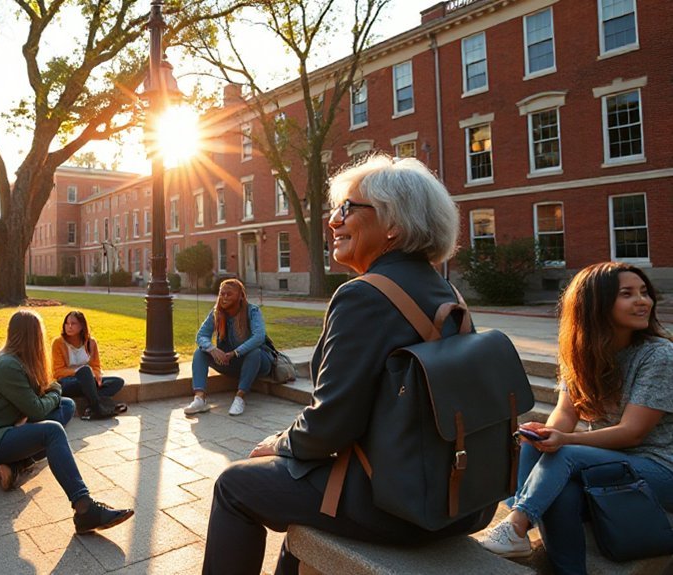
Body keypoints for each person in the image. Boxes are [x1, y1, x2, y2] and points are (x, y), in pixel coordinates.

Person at [201, 154, 496, 573]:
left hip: (397, 503)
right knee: (299, 519)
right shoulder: (445, 291)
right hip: (460, 497)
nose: (333, 221)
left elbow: (330, 426)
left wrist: (281, 443)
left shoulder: (364, 295)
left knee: (234, 484)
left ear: (392, 224)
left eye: (347, 208)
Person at [479, 262, 673, 574]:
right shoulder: (581, 354)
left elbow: (633, 433)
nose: (643, 301)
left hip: (661, 468)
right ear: (595, 303)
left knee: (564, 454)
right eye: (628, 294)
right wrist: (545, 434)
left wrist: (565, 441)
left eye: (644, 292)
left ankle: (517, 522)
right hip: (609, 463)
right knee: (545, 463)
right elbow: (566, 413)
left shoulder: (659, 355)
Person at [0, 309, 135, 533]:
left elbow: (40, 397)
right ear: (33, 336)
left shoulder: (18, 360)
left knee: (67, 405)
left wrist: (52, 392)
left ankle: (16, 465)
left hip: (4, 433)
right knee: (52, 431)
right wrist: (55, 390)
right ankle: (84, 509)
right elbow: (36, 407)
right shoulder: (8, 365)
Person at [184, 278, 270, 417]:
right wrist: (212, 349)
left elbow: (259, 337)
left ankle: (240, 398)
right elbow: (201, 336)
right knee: (200, 352)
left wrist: (236, 352)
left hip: (257, 363)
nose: (224, 298)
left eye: (229, 294)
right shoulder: (216, 313)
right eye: (221, 294)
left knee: (254, 352)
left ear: (241, 296)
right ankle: (199, 399)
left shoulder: (252, 311)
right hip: (229, 362)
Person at [51, 310, 126, 420]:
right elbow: (57, 371)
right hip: (67, 382)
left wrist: (96, 376)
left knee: (117, 382)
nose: (69, 326)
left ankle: (91, 408)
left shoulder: (91, 343)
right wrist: (79, 371)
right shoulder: (58, 343)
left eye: (73, 323)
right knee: (85, 371)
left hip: (88, 381)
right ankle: (98, 408)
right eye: (67, 323)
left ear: (82, 326)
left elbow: (96, 366)